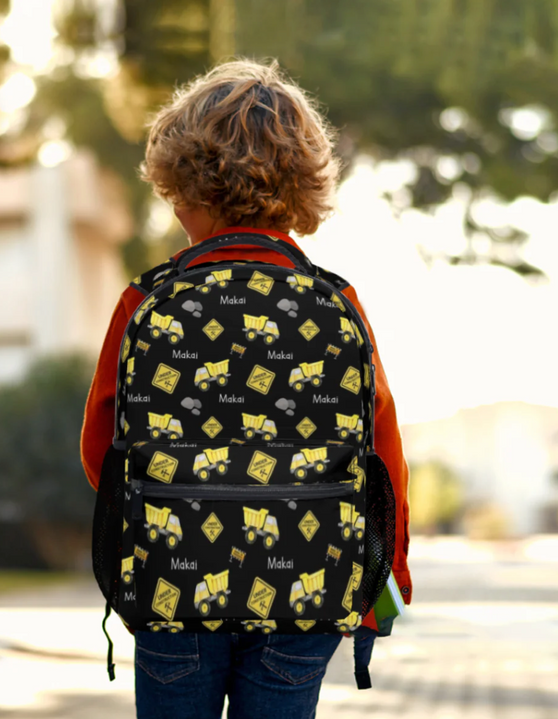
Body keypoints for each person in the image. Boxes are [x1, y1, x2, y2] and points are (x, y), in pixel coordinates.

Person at [81, 59, 411, 719]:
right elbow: (382, 454)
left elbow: (100, 452)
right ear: (303, 189)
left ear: (181, 188)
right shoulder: (337, 302)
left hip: (175, 586)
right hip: (304, 590)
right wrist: (386, 576)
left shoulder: (147, 301)